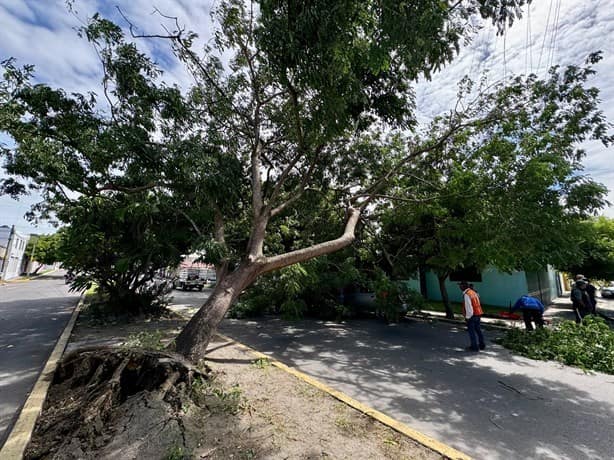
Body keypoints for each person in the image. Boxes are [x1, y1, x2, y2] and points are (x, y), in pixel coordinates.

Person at [459, 281, 485, 351]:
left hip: (472, 316)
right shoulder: (473, 292)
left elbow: (469, 307)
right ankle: (482, 345)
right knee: (478, 330)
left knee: (472, 332)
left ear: (464, 286)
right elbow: (478, 302)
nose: (459, 287)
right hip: (478, 314)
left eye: (460, 285)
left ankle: (474, 347)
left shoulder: (467, 294)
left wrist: (467, 318)